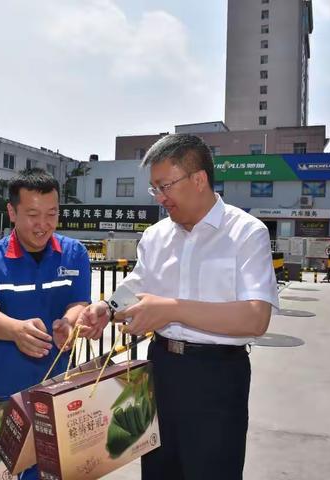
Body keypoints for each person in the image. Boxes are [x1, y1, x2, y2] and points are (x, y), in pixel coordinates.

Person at [79, 134, 279, 480]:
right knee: (159, 469)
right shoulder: (157, 236)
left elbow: (256, 317)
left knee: (212, 470)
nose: (160, 198)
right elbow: (140, 284)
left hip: (217, 376)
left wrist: (172, 309)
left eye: (164, 186)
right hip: (161, 369)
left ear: (198, 179)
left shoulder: (246, 233)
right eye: (154, 188)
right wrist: (107, 308)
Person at [0, 168, 91, 479]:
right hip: (4, 389)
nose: (43, 225)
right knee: (5, 469)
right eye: (33, 214)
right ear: (12, 212)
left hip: (57, 387)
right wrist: (16, 330)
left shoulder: (74, 253)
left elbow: (79, 302)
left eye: (52, 214)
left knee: (54, 469)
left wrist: (69, 322)